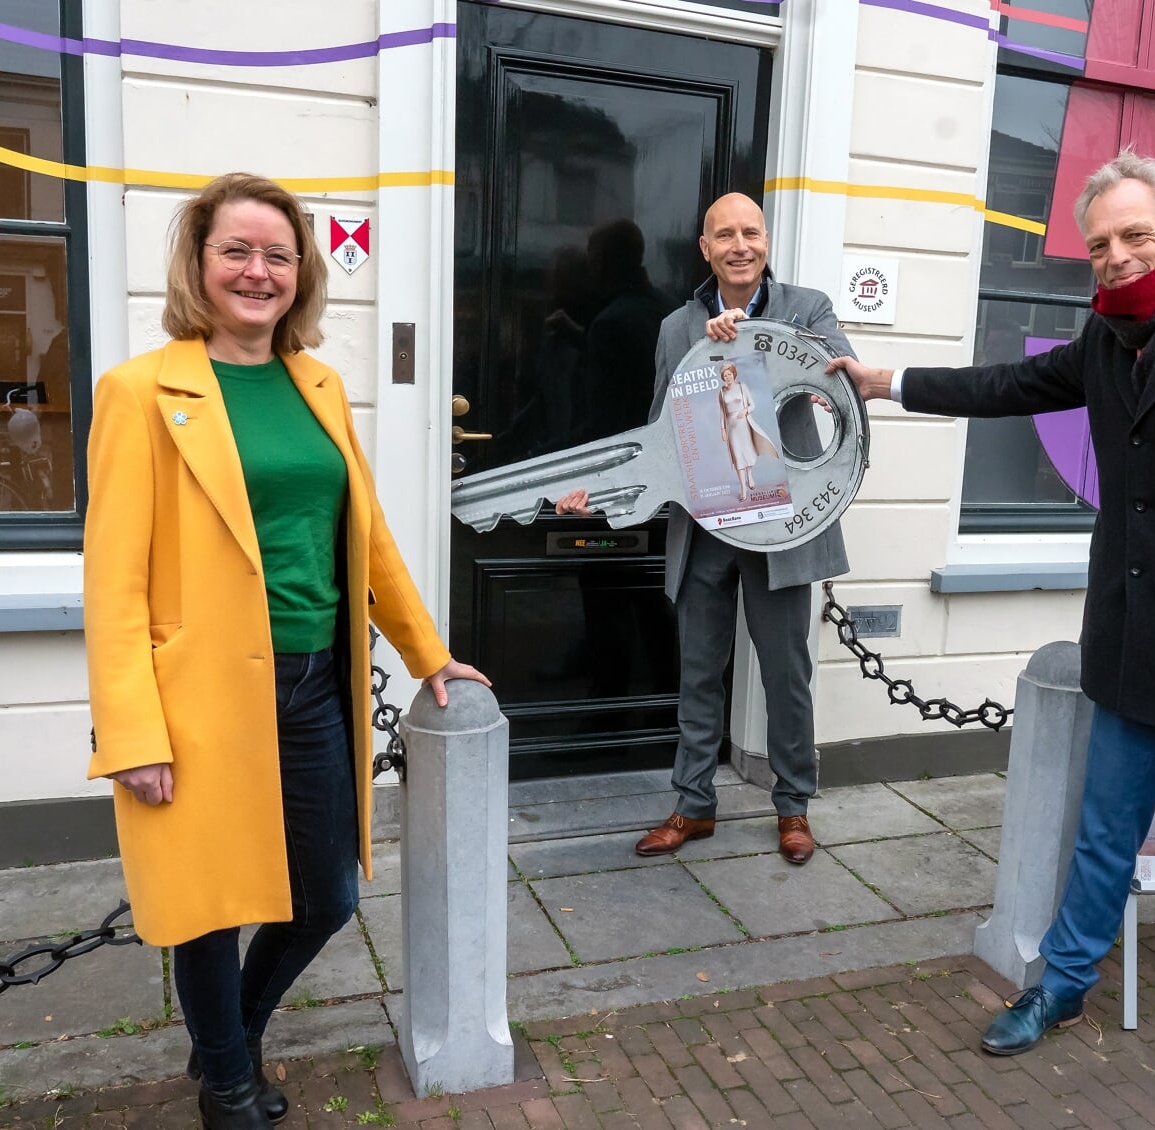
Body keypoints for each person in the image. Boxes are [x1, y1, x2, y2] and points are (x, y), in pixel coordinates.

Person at [827, 151, 1155, 1127]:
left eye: (1133, 236)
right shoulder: (1106, 339)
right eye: (1099, 243)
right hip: (1131, 639)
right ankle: (1061, 983)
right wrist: (887, 379)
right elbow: (1011, 385)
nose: (1115, 257)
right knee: (1103, 835)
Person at [82, 173, 488, 1130]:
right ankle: (227, 1084)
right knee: (212, 905)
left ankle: (230, 1034)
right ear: (199, 262)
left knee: (327, 893)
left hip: (314, 686)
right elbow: (114, 580)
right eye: (237, 251)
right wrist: (131, 729)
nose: (257, 272)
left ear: (300, 272)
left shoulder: (320, 383)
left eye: (277, 253)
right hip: (200, 696)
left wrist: (429, 654)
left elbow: (369, 536)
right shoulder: (142, 392)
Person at [558, 192, 853, 866]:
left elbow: (841, 381)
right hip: (706, 523)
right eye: (726, 235)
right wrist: (598, 487)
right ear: (705, 247)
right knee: (697, 673)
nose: (740, 245)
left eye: (751, 232)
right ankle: (693, 805)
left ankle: (793, 808)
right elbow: (660, 433)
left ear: (767, 240)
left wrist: (749, 343)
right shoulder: (675, 327)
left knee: (787, 674)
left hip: (781, 528)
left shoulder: (806, 308)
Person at [716, 361, 776, 499]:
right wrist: (723, 429)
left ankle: (749, 474)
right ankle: (743, 487)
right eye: (725, 375)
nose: (728, 377)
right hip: (731, 427)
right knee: (737, 456)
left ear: (733, 374)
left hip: (744, 424)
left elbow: (752, 404)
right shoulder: (721, 392)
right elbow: (721, 413)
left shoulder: (742, 387)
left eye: (729, 374)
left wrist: (745, 410)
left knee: (747, 452)